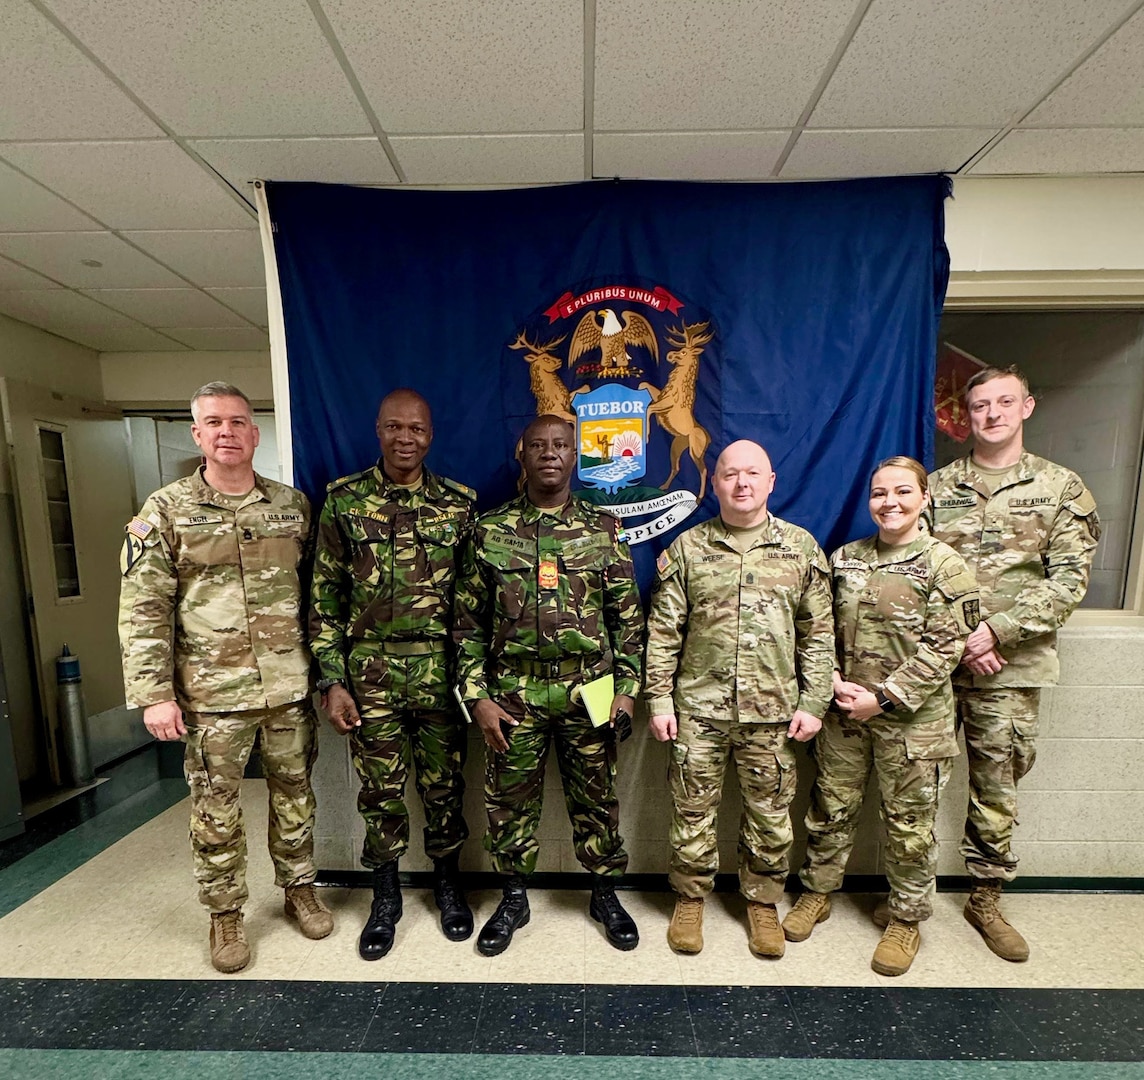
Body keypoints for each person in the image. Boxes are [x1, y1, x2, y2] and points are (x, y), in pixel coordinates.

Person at [118, 382, 332, 975]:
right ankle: (225, 913)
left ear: (255, 433)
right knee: (216, 808)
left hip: (287, 686)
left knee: (295, 796)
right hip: (212, 695)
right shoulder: (165, 511)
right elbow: (143, 606)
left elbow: (318, 594)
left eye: (238, 421)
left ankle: (299, 888)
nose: (227, 432)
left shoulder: (291, 507)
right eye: (214, 422)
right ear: (197, 434)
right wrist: (155, 694)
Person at [453, 414, 644, 956]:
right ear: (523, 454)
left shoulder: (604, 529)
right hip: (514, 695)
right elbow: (465, 625)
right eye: (538, 445)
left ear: (575, 455)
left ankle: (604, 892)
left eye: (561, 445)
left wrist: (627, 692)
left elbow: (627, 621)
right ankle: (513, 898)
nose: (550, 454)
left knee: (598, 800)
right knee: (508, 804)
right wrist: (478, 697)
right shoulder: (489, 530)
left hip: (591, 692)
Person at [928, 365, 1099, 962]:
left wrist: (996, 632)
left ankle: (985, 897)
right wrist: (962, 639)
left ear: (1027, 407)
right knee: (919, 782)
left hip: (1010, 666)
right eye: (980, 405)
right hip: (936, 666)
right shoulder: (936, 487)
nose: (992, 414)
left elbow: (1070, 581)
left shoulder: (1061, 490)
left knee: (996, 785)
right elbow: (913, 573)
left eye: (1004, 402)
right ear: (964, 417)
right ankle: (909, 900)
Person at [783, 457, 979, 976]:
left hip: (914, 725)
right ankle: (817, 893)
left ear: (924, 498)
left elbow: (946, 647)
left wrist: (885, 697)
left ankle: (906, 918)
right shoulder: (846, 558)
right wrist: (829, 683)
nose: (889, 502)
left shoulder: (945, 565)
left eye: (901, 492)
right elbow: (818, 629)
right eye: (878, 493)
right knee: (830, 811)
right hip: (847, 716)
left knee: (910, 826)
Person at [644, 440, 834, 959]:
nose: (741, 483)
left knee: (770, 814)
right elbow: (664, 633)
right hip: (698, 711)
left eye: (753, 473)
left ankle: (763, 902)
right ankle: (690, 898)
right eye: (730, 474)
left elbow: (818, 634)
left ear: (771, 482)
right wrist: (659, 701)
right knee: (691, 812)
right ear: (717, 482)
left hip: (773, 713)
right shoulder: (688, 548)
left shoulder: (800, 549)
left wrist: (815, 702)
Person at [309, 388, 477, 960]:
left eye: (417, 430)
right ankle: (385, 895)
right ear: (378, 430)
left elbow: (473, 603)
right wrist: (332, 681)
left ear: (432, 435)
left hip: (440, 671)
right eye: (395, 428)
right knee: (380, 791)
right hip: (370, 672)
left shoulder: (459, 504)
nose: (406, 439)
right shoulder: (344, 501)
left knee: (444, 787)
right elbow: (325, 598)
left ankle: (447, 884)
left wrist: (473, 683)